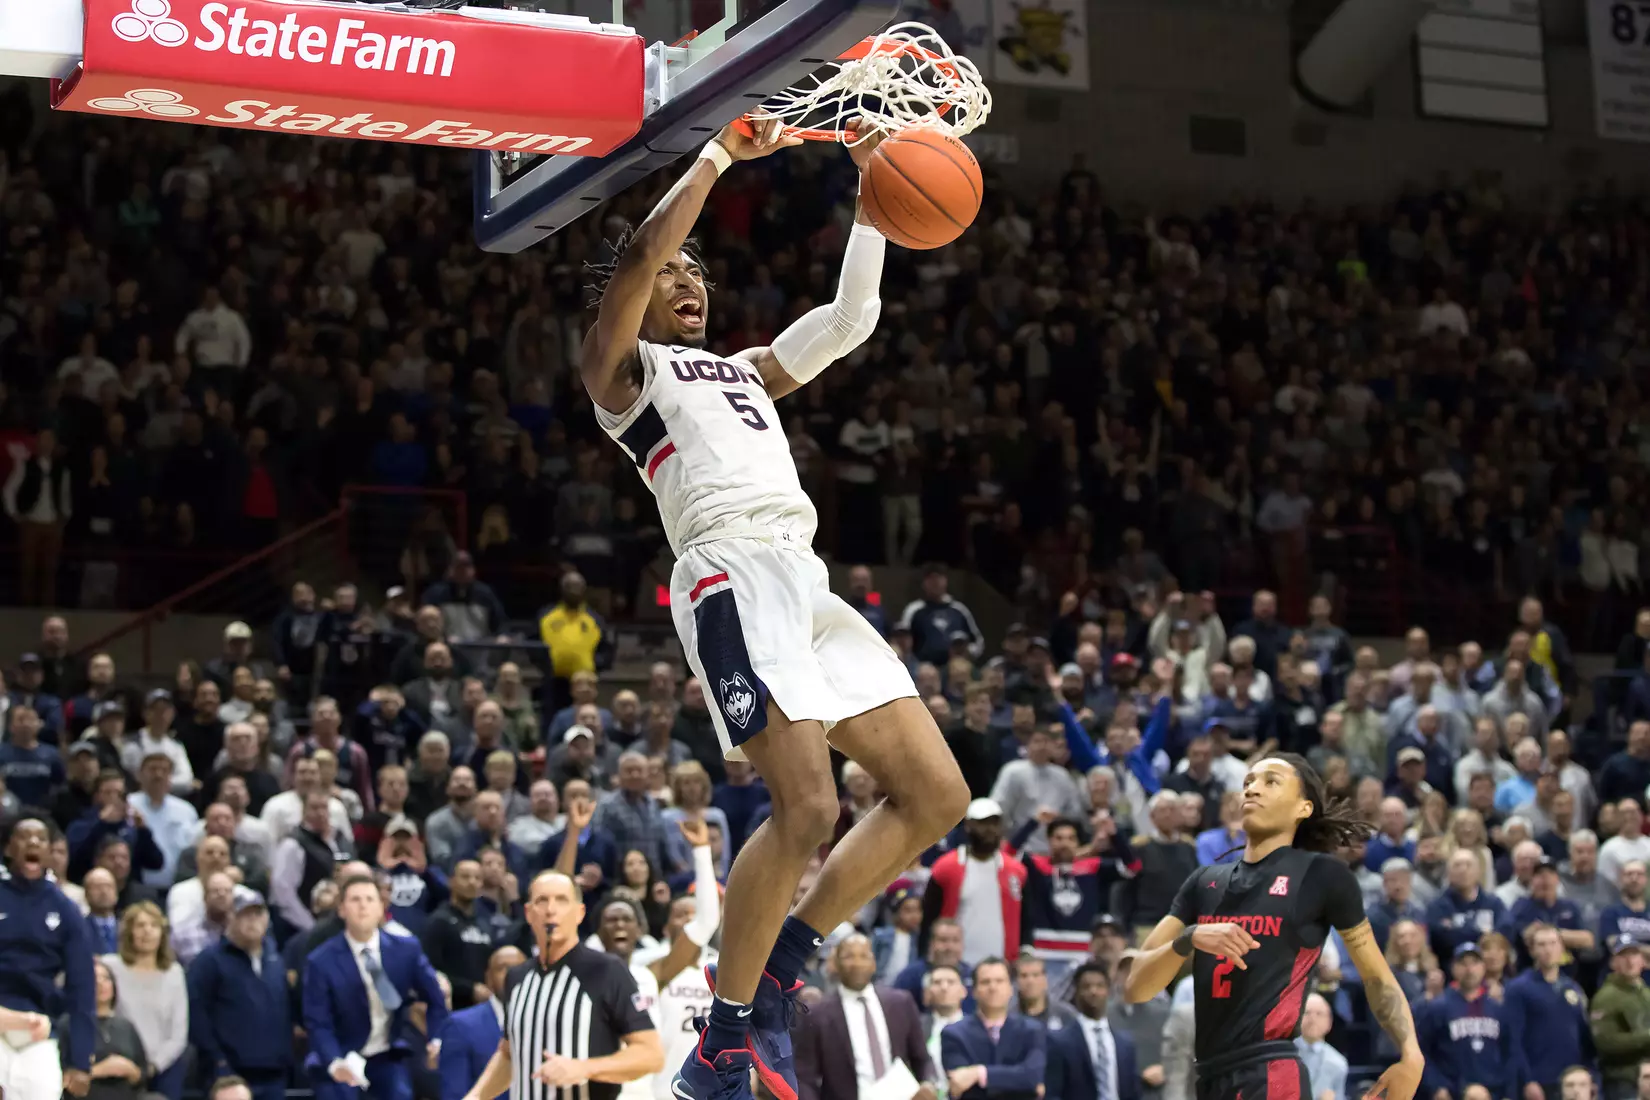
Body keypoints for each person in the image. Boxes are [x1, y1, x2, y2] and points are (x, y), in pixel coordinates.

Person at [577, 115, 969, 1100]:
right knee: (808, 807)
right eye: (676, 272)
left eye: (698, 269)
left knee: (935, 795)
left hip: (803, 573)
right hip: (728, 571)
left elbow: (847, 322)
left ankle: (780, 969)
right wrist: (716, 157)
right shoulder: (623, 375)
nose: (687, 280)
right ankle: (721, 1040)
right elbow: (637, 252)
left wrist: (876, 193)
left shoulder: (745, 371)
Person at [1122, 753, 1424, 1100]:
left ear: (1303, 808)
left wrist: (1411, 1053)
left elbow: (1375, 976)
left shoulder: (1323, 875)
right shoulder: (1203, 881)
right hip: (1207, 1076)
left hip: (1270, 1074)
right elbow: (1135, 988)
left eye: (1270, 782)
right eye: (1248, 782)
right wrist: (1188, 939)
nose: (1252, 789)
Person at [458, 870, 663, 1100]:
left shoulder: (606, 970)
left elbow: (651, 1055)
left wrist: (584, 1068)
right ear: (528, 913)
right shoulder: (516, 977)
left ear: (579, 912)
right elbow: (510, 1054)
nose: (550, 909)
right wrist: (475, 1097)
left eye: (561, 900)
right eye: (541, 900)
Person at [302, 875, 450, 1100]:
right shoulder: (321, 961)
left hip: (387, 1055)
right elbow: (318, 1022)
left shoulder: (406, 950)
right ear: (341, 910)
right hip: (341, 1054)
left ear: (382, 908)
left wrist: (437, 1039)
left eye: (370, 899)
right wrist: (335, 1063)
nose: (363, 906)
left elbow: (436, 999)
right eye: (355, 900)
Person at [0, 817, 96, 1100]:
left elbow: (82, 987)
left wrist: (80, 1060)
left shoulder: (65, 909)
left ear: (49, 852)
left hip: (37, 1027)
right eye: (23, 837)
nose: (32, 842)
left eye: (40, 838)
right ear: (8, 849)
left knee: (43, 1090)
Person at [792, 932, 933, 1100]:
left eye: (864, 956)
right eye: (848, 956)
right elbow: (805, 1076)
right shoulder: (816, 1014)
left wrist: (928, 1084)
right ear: (836, 963)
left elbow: (922, 1059)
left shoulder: (901, 1003)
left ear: (873, 962)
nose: (857, 963)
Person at [186, 887, 292, 1100]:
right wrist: (218, 1060)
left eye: (258, 914)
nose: (252, 921)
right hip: (229, 1073)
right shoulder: (209, 961)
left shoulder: (275, 959)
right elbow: (196, 1015)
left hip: (274, 1072)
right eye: (245, 915)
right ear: (230, 918)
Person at [99, 901, 189, 1100]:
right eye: (140, 925)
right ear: (129, 932)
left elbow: (178, 1034)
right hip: (118, 1063)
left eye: (154, 925)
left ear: (162, 932)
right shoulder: (110, 966)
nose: (147, 932)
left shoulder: (174, 973)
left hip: (163, 1066)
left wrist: (152, 1066)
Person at [1503, 924, 1594, 1100]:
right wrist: (1527, 1080)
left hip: (1571, 1081)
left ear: (1561, 948)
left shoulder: (1572, 988)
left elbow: (1585, 1038)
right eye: (1542, 944)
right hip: (1540, 1080)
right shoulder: (1519, 988)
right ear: (1532, 950)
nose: (1548, 950)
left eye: (1553, 943)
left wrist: (1589, 1074)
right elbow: (1514, 1040)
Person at [939, 957, 1045, 1099]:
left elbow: (1031, 1077)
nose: (993, 987)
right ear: (974, 991)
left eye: (999, 981)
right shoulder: (954, 1034)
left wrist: (979, 1073)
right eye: (985, 982)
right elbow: (962, 1088)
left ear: (1011, 989)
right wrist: (1017, 1081)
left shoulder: (1032, 1030)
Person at [1417, 942, 1511, 1100]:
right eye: (1463, 963)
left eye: (1474, 963)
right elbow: (1421, 1052)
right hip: (1452, 1092)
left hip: (1492, 1091)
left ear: (1483, 967)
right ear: (1453, 968)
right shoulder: (1438, 1007)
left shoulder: (1497, 1008)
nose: (1469, 969)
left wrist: (1508, 1092)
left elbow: (1509, 1051)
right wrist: (1437, 1086)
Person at [436, 946, 525, 1100]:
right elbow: (454, 1093)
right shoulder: (460, 1025)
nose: (512, 974)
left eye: (519, 968)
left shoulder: (547, 1021)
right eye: (503, 968)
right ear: (488, 978)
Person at [1047, 961, 1140, 1100]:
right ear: (1076, 992)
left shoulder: (1125, 1044)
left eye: (1099, 986)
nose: (1093, 991)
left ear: (1108, 991)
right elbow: (1053, 1093)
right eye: (1086, 986)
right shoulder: (1060, 1042)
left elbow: (1134, 1094)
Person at [1589, 934, 1650, 1100]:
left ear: (1643, 960)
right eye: (1623, 956)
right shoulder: (1606, 997)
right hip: (1622, 1079)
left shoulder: (1645, 992)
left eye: (1634, 954)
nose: (1630, 961)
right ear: (1613, 963)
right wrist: (1646, 1037)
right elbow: (1605, 1042)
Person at [87, 958, 149, 1100]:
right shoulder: (70, 1024)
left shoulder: (126, 1026)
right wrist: (99, 1070)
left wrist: (132, 1071)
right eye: (94, 979)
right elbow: (61, 1077)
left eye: (106, 978)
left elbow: (143, 1074)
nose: (101, 983)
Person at [1293, 993, 1347, 1100]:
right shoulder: (1282, 1055)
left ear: (1329, 1022)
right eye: (1307, 1013)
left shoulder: (1338, 1063)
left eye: (1319, 1014)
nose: (1312, 1020)